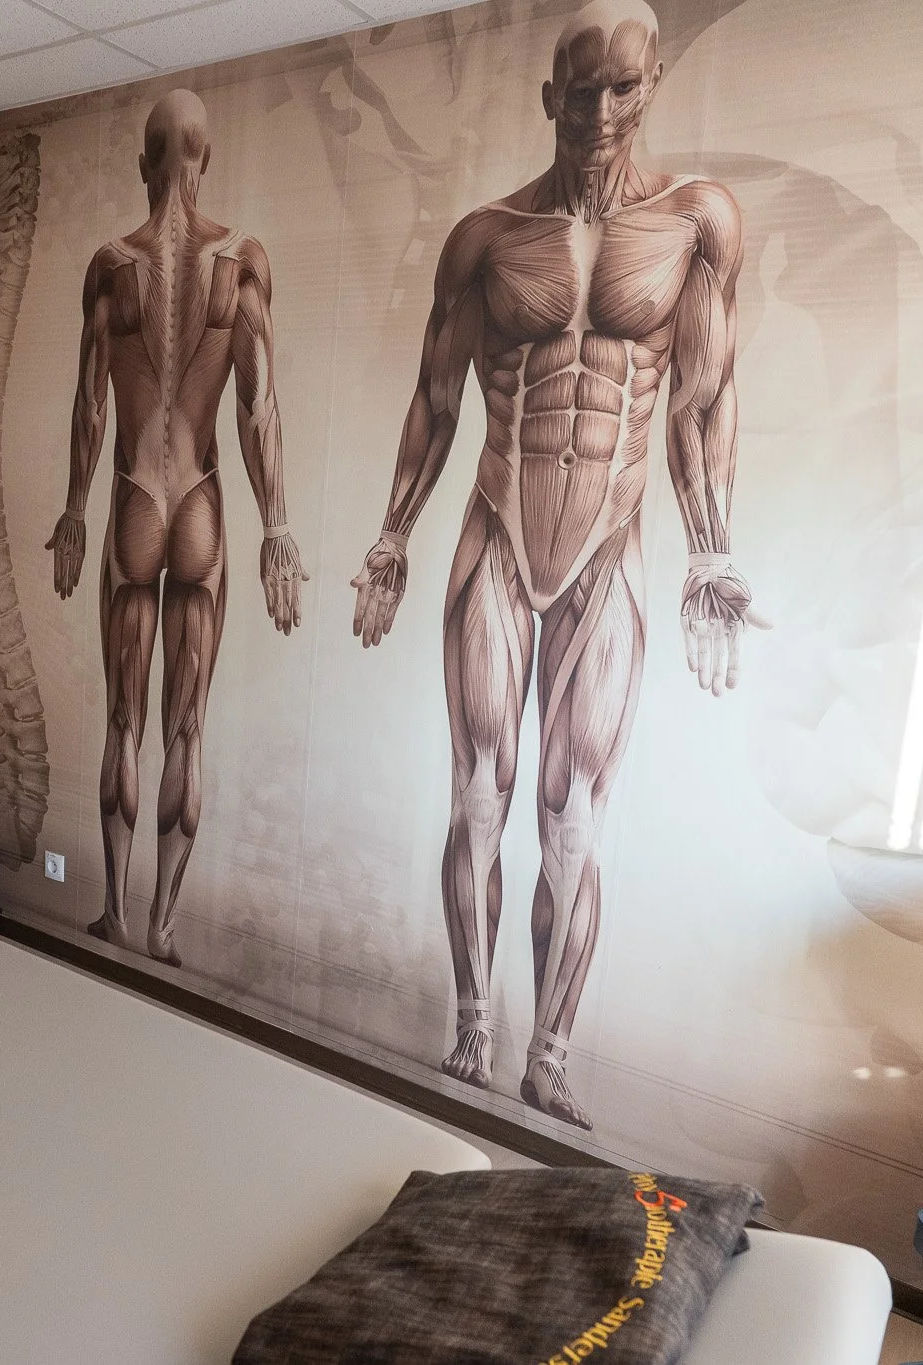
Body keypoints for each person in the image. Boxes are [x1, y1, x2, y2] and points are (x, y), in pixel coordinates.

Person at [350, 0, 767, 1128]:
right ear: (548, 96)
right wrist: (391, 535)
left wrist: (710, 548)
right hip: (497, 524)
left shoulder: (695, 222)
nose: (599, 111)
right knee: (478, 796)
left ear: (652, 85)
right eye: (579, 90)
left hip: (609, 546)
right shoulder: (487, 237)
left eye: (622, 87)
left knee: (572, 818)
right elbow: (435, 400)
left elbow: (702, 400)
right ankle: (471, 1029)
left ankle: (549, 1057)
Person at [46, 88, 307, 967]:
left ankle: (113, 916)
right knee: (186, 726)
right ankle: (162, 928)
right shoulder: (240, 263)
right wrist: (276, 526)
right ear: (206, 161)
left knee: (123, 721)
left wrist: (73, 511)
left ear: (142, 164)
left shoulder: (110, 266)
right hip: (198, 500)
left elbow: (89, 405)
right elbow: (258, 406)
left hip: (133, 500)